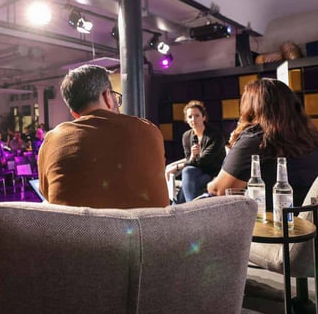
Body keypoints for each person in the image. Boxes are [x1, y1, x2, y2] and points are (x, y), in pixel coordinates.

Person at [37, 65, 168, 208]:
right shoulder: (148, 130)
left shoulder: (53, 139)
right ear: (107, 97)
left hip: (76, 230)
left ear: (74, 113)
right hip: (150, 228)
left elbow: (46, 192)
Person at [206, 78, 318, 209]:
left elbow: (219, 191)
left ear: (251, 107)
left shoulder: (255, 139)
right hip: (313, 223)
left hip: (272, 225)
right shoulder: (313, 138)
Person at [165, 101, 225, 202]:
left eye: (197, 115)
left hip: (212, 173)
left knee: (188, 177)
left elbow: (204, 161)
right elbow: (190, 160)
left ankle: (181, 208)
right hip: (196, 171)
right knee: (188, 172)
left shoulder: (215, 135)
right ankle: (191, 209)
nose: (193, 119)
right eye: (190, 117)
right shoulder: (186, 136)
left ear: (204, 117)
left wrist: (176, 167)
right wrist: (192, 157)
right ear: (186, 120)